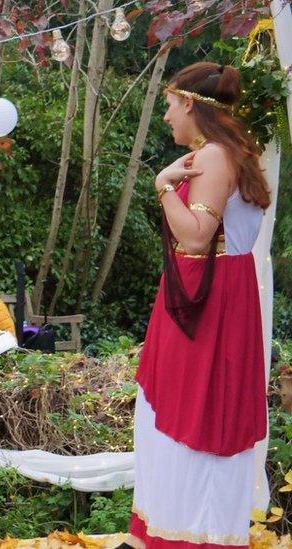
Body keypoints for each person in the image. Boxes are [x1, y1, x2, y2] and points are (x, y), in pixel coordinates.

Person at [123, 62, 271, 548]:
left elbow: (196, 237)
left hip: (205, 306)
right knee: (198, 413)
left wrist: (163, 186)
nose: (166, 116)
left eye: (169, 105)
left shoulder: (212, 156)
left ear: (189, 102)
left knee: (190, 415)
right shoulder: (234, 151)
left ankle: (189, 539)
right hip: (223, 298)